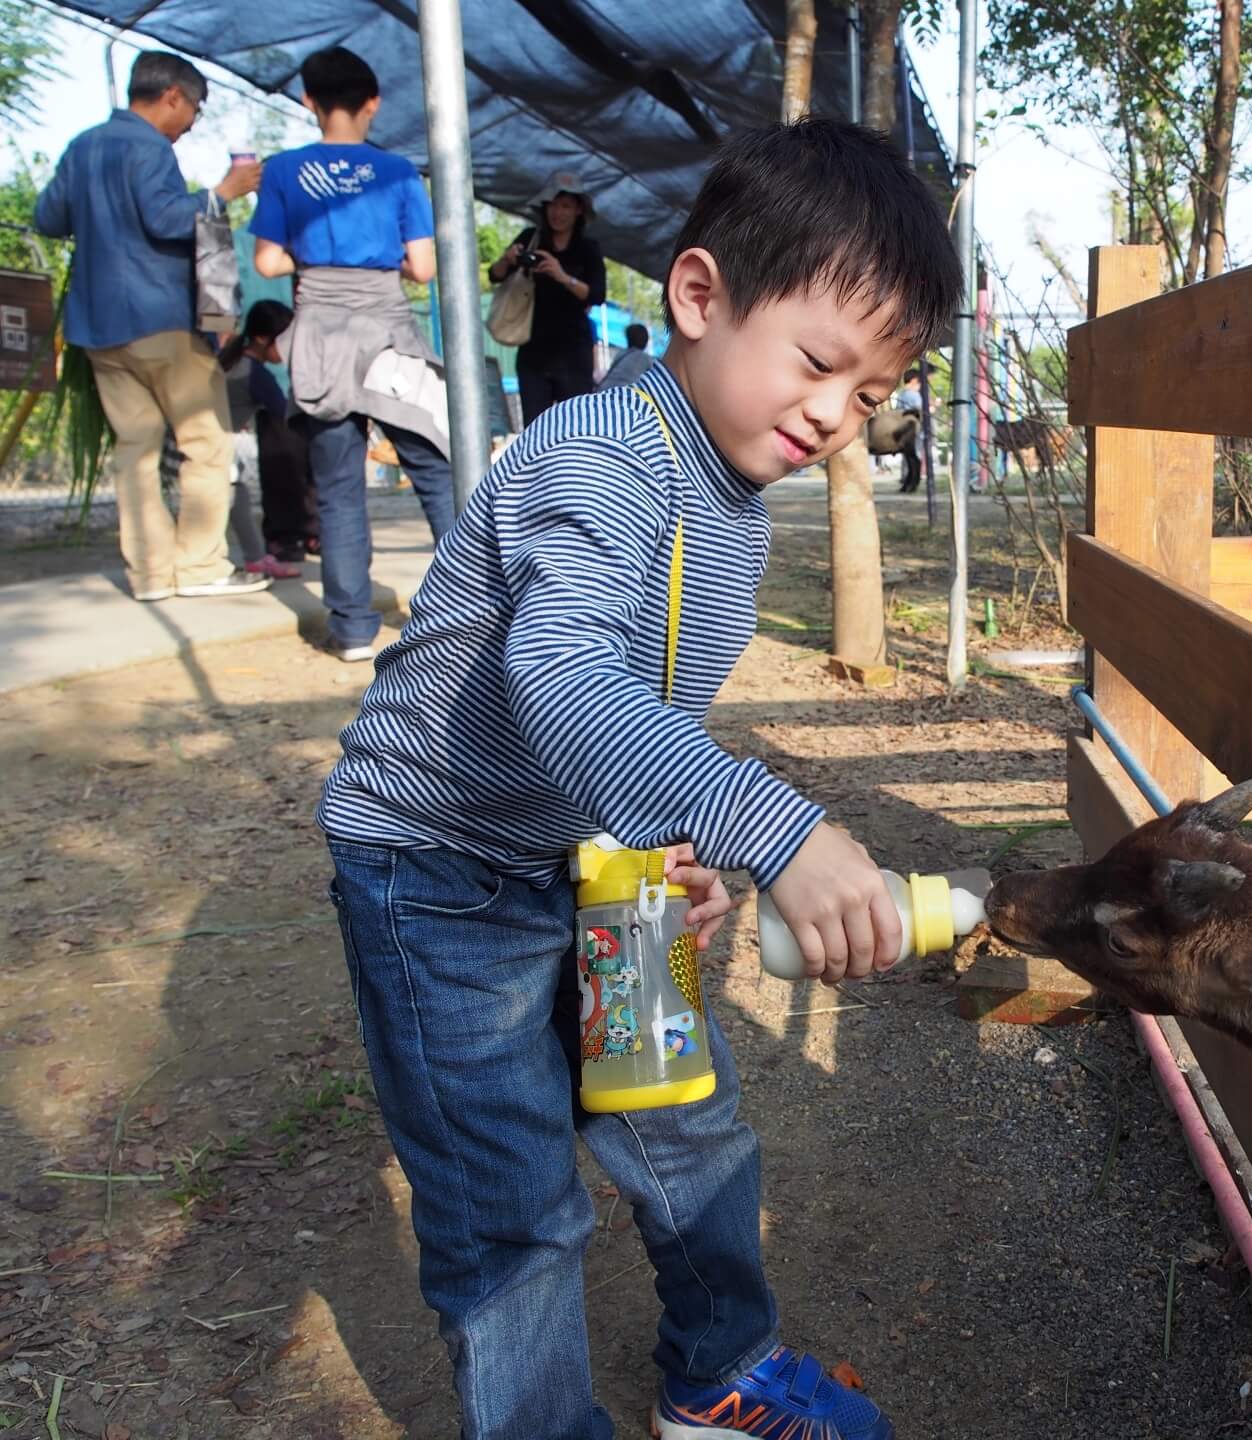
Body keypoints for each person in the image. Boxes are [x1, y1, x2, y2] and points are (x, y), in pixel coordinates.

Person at [320, 118, 961, 1440]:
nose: (834, 414)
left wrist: (676, 846)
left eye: (871, 395)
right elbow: (565, 676)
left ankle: (719, 1374)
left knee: (688, 1127)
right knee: (513, 1209)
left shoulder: (733, 496)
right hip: (442, 874)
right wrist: (779, 833)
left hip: (602, 864)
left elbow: (639, 708)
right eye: (819, 363)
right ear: (700, 295)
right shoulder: (603, 453)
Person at [33, 50, 268, 601]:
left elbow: (48, 219)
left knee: (135, 450)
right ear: (172, 97)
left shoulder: (84, 145)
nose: (192, 122)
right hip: (161, 320)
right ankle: (200, 567)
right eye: (195, 109)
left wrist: (100, 218)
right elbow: (166, 219)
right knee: (205, 443)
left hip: (99, 327)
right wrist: (222, 193)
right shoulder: (150, 148)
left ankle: (151, 575)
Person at [251, 46, 455, 663]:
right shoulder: (397, 172)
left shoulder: (284, 170)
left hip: (319, 339)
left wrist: (314, 258)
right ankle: (468, 613)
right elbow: (423, 267)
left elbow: (267, 262)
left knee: (339, 489)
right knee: (436, 472)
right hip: (388, 337)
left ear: (309, 102)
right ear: (373, 103)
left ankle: (352, 630)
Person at [488, 172, 607, 423]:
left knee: (576, 425)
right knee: (535, 427)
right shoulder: (531, 239)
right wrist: (508, 260)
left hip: (574, 353)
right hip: (534, 351)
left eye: (565, 206)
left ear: (578, 210)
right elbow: (494, 275)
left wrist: (562, 276)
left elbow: (597, 295)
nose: (558, 212)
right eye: (553, 205)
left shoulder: (588, 248)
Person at [218, 303, 302, 580]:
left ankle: (254, 557)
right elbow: (284, 411)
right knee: (236, 497)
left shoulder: (231, 359)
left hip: (196, 439)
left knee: (234, 497)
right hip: (216, 444)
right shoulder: (255, 374)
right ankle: (255, 559)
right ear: (263, 338)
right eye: (284, 341)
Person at [594, 320, 653, 392]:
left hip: (604, 390)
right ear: (645, 340)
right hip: (623, 393)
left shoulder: (621, 354)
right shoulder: (647, 359)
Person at [894, 366, 927, 493]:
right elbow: (920, 411)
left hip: (901, 428)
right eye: (919, 382)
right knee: (914, 457)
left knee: (907, 457)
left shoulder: (902, 394)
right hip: (913, 429)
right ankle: (913, 482)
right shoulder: (914, 395)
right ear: (914, 381)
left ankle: (907, 482)